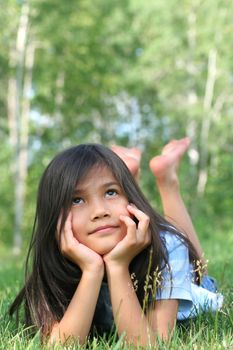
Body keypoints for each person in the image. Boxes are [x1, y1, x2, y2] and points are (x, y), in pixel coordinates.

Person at [9, 137, 223, 347]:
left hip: (185, 281)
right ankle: (128, 175)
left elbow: (148, 345)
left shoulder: (168, 247)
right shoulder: (54, 259)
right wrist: (92, 270)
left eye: (111, 192)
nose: (100, 211)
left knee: (197, 270)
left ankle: (167, 182)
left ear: (130, 199)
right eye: (77, 200)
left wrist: (117, 265)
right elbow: (61, 346)